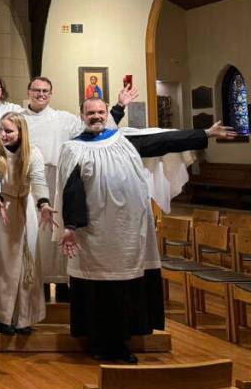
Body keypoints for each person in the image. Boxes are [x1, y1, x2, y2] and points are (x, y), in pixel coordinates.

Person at [56, 97, 236, 363]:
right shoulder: (73, 149)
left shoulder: (124, 139)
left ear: (107, 114)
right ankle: (98, 342)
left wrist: (205, 133)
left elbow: (164, 141)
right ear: (81, 115)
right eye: (90, 112)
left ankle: (120, 344)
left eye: (100, 112)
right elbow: (70, 190)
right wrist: (70, 226)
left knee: (125, 287)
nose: (96, 116)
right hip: (93, 232)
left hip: (127, 230)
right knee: (96, 290)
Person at [23, 77, 133, 300]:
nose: (41, 94)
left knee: (63, 235)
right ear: (29, 92)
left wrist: (119, 107)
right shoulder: (19, 118)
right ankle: (37, 296)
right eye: (37, 90)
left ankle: (65, 295)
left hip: (61, 184)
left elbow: (98, 126)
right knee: (35, 241)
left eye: (46, 90)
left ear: (51, 94)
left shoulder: (63, 119)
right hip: (30, 187)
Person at [0, 112, 51, 335]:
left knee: (27, 262)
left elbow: (39, 180)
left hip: (24, 208)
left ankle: (23, 317)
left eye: (9, 131)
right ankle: (2, 316)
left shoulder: (33, 153)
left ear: (21, 132)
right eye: (1, 129)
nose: (3, 134)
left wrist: (44, 204)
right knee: (3, 263)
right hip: (1, 208)